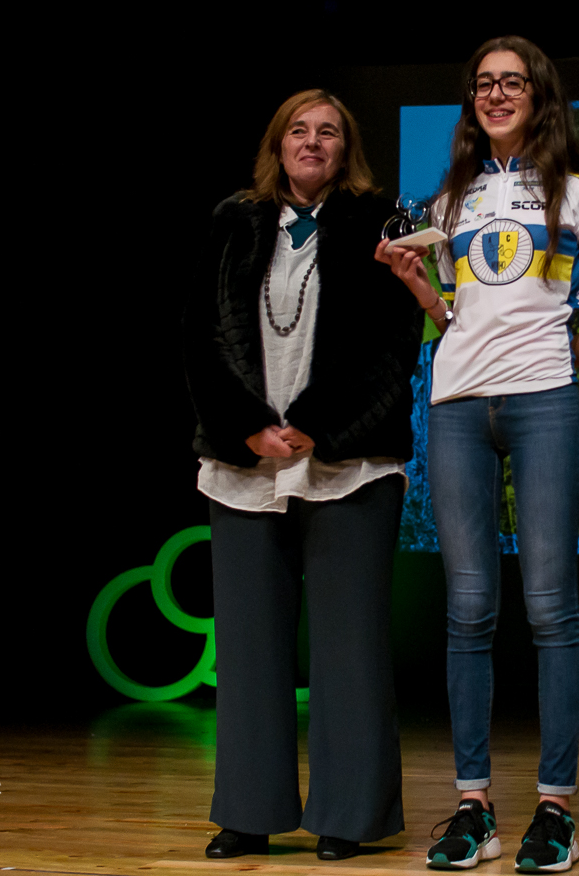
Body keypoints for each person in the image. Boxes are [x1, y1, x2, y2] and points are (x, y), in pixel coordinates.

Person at [377, 35, 579, 873]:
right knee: (467, 610)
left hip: (543, 406)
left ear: (539, 95)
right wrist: (417, 284)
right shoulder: (447, 201)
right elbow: (454, 319)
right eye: (483, 83)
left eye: (512, 82)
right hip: (456, 408)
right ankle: (474, 807)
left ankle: (555, 810)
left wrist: (552, 358)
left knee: (551, 607)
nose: (495, 94)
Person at [183, 89, 424, 861]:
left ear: (346, 148)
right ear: (278, 144)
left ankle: (347, 816)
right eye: (299, 130)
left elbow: (393, 339)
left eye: (328, 132)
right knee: (249, 645)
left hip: (348, 461)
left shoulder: (381, 218)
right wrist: (245, 424)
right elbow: (201, 335)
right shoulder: (234, 219)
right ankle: (248, 811)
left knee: (350, 646)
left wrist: (319, 421)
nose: (312, 141)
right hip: (246, 460)